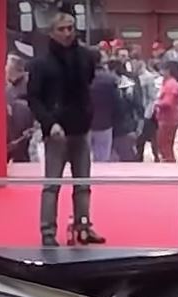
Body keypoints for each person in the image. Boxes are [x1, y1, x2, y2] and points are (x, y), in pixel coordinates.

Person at [28, 12, 104, 245]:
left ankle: (83, 226)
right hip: (56, 132)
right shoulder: (41, 64)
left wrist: (87, 115)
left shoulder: (86, 57)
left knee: (83, 185)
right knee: (52, 185)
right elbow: (34, 98)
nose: (68, 33)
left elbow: (88, 84)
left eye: (70, 28)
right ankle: (48, 232)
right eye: (62, 29)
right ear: (52, 32)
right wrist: (49, 123)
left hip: (81, 128)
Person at [154, 61, 178, 164]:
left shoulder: (171, 84)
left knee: (164, 143)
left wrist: (157, 103)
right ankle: (168, 160)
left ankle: (169, 161)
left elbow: (168, 102)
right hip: (169, 117)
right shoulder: (169, 83)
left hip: (169, 118)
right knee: (166, 143)